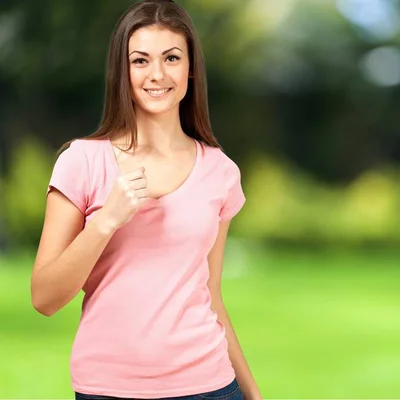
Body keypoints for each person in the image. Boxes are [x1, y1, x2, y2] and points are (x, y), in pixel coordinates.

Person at [30, 1, 261, 399]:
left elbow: (211, 295)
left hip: (209, 385)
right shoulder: (83, 161)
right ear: (124, 71)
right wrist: (105, 221)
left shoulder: (220, 171)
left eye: (171, 58)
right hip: (108, 388)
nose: (157, 74)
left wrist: (253, 393)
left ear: (190, 68)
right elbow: (45, 298)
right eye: (140, 60)